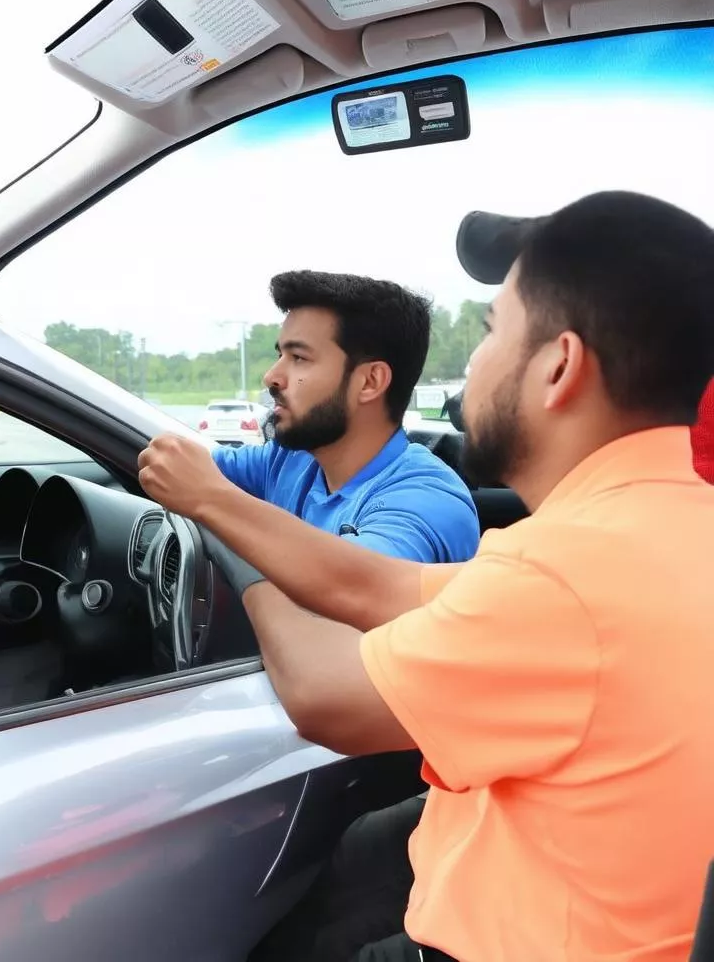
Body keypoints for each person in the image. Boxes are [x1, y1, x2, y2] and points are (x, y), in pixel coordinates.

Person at [138, 190, 714, 961]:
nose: (471, 363)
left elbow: (323, 696)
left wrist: (224, 527)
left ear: (559, 367)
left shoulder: (566, 573)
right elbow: (377, 589)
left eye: (489, 331)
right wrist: (217, 499)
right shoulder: (657, 525)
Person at [213, 270, 478, 565]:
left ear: (370, 382)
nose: (271, 377)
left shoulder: (427, 500)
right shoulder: (289, 461)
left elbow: (351, 586)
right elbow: (190, 465)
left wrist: (211, 500)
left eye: (299, 358)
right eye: (280, 356)